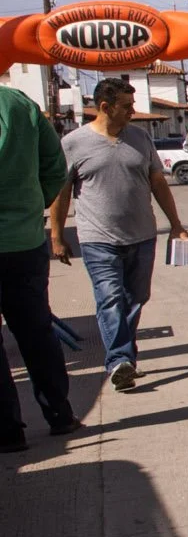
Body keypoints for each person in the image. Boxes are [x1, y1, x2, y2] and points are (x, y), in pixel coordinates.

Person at [50, 77, 188, 394]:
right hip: (97, 239)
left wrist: (176, 224)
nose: (133, 111)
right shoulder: (74, 144)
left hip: (142, 235)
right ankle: (119, 362)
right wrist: (57, 235)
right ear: (105, 107)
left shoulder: (140, 139)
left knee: (136, 299)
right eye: (126, 106)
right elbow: (62, 192)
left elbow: (158, 184)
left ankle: (124, 355)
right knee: (109, 298)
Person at [0, 83, 76, 450]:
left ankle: (7, 431)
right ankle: (59, 414)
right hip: (24, 241)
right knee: (36, 332)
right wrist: (35, 203)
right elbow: (55, 165)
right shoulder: (19, 103)